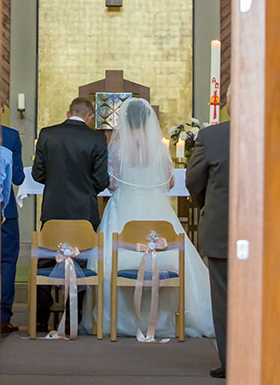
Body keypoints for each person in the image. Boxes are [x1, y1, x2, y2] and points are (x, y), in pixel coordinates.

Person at [81, 97, 214, 339]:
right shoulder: (158, 146)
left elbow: (111, 183)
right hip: (156, 209)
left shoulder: (118, 146)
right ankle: (167, 318)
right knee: (171, 256)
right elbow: (170, 181)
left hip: (124, 207)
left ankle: (119, 319)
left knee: (112, 259)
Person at [32, 97, 109, 331]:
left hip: (53, 210)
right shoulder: (96, 138)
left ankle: (40, 319)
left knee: (45, 262)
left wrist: (56, 184)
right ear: (90, 116)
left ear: (68, 113)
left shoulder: (47, 134)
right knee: (81, 265)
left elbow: (37, 174)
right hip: (83, 213)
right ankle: (72, 319)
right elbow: (101, 180)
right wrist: (86, 188)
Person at [185, 85, 231, 378]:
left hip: (222, 229)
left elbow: (193, 180)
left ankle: (231, 362)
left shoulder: (212, 137)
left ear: (227, 104)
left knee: (224, 298)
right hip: (269, 233)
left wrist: (207, 205)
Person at [0, 124, 25, 334]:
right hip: (4, 209)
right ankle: (1, 317)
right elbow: (18, 178)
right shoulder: (10, 135)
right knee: (6, 261)